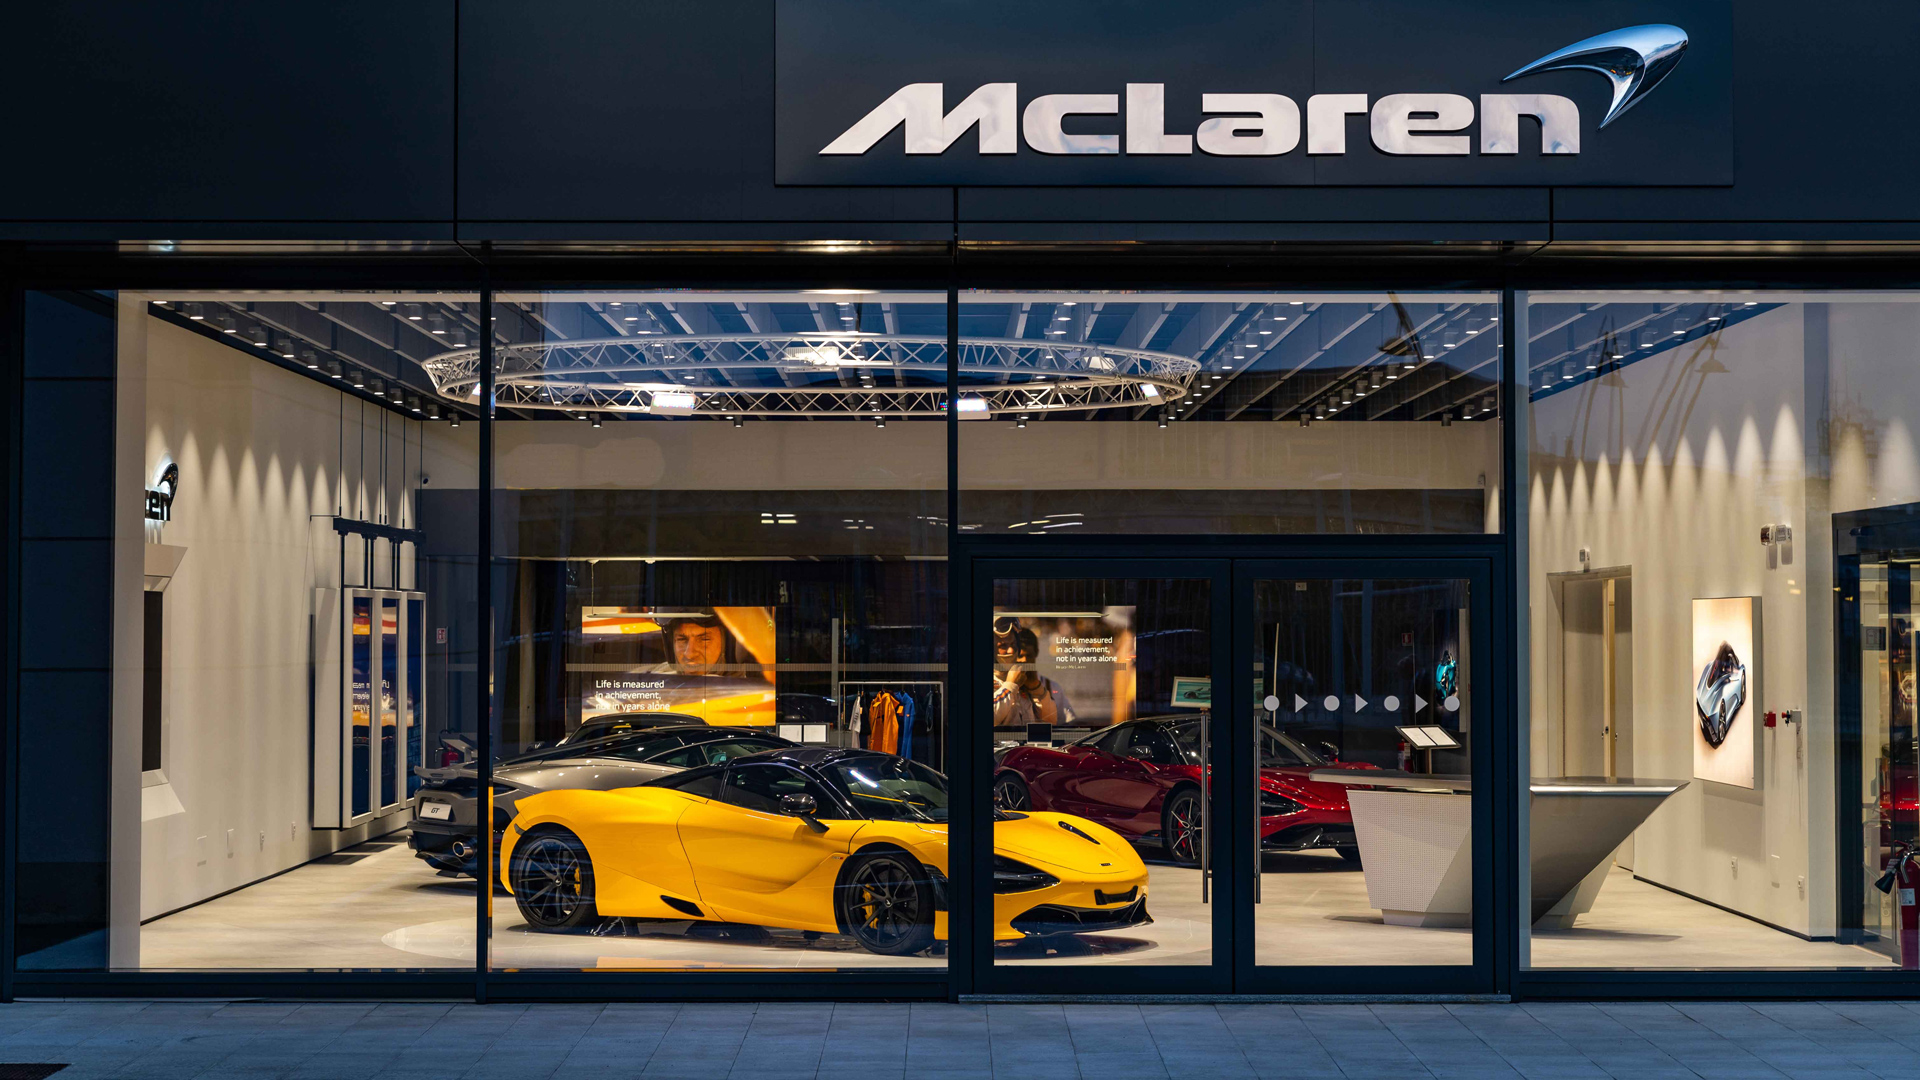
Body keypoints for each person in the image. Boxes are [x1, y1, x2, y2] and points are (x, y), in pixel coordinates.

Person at [991, 619, 1076, 729]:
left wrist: (1037, 690)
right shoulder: (1011, 684)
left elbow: (1051, 721)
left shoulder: (1026, 682)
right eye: (1003, 645)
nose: (1011, 650)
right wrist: (1010, 686)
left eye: (1013, 644)